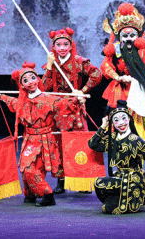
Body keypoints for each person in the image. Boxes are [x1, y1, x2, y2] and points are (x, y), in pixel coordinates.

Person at [0, 62, 84, 207]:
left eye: (32, 78)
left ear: (38, 79)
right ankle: (31, 194)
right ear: (21, 85)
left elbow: (64, 104)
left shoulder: (48, 99)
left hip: (45, 140)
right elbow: (12, 101)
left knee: (31, 169)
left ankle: (47, 194)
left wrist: (77, 99)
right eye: (25, 80)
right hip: (29, 139)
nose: (30, 82)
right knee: (26, 168)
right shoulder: (22, 102)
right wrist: (0, 96)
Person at [100, 2, 145, 151]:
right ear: (120, 37)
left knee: (138, 128)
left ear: (138, 36)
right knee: (119, 126)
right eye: (125, 36)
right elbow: (105, 66)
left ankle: (137, 159)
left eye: (132, 35)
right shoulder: (115, 50)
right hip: (121, 91)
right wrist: (117, 77)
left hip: (140, 91)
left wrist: (136, 81)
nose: (128, 39)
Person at [41, 27, 102, 193]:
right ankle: (61, 181)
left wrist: (83, 91)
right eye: (58, 45)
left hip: (75, 107)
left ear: (70, 45)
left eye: (65, 44)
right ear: (54, 46)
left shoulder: (78, 61)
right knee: (58, 144)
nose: (62, 48)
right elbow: (44, 87)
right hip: (57, 109)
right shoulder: (52, 62)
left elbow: (97, 74)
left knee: (79, 143)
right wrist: (49, 66)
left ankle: (82, 182)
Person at [88, 100, 145, 214]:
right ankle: (119, 199)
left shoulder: (136, 140)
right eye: (116, 120)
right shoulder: (112, 138)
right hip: (119, 176)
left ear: (129, 119)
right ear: (112, 123)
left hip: (133, 178)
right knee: (99, 183)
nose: (121, 123)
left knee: (110, 209)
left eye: (124, 118)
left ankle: (144, 197)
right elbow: (93, 144)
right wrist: (103, 126)